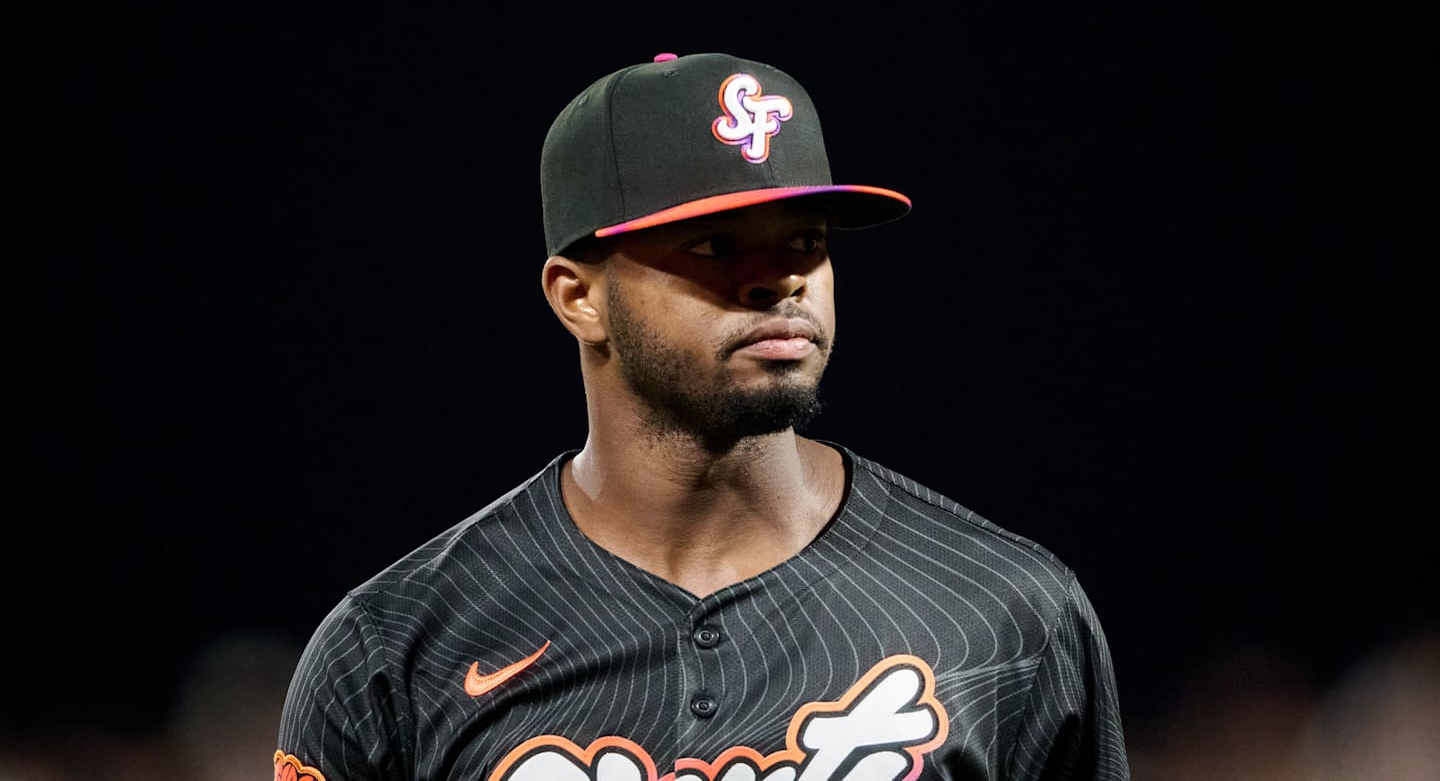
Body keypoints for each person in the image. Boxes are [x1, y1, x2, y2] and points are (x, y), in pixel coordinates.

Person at [275, 50, 1132, 781]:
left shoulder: (1008, 609)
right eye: (716, 246)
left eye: (806, 240)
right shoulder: (394, 645)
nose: (781, 280)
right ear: (579, 298)